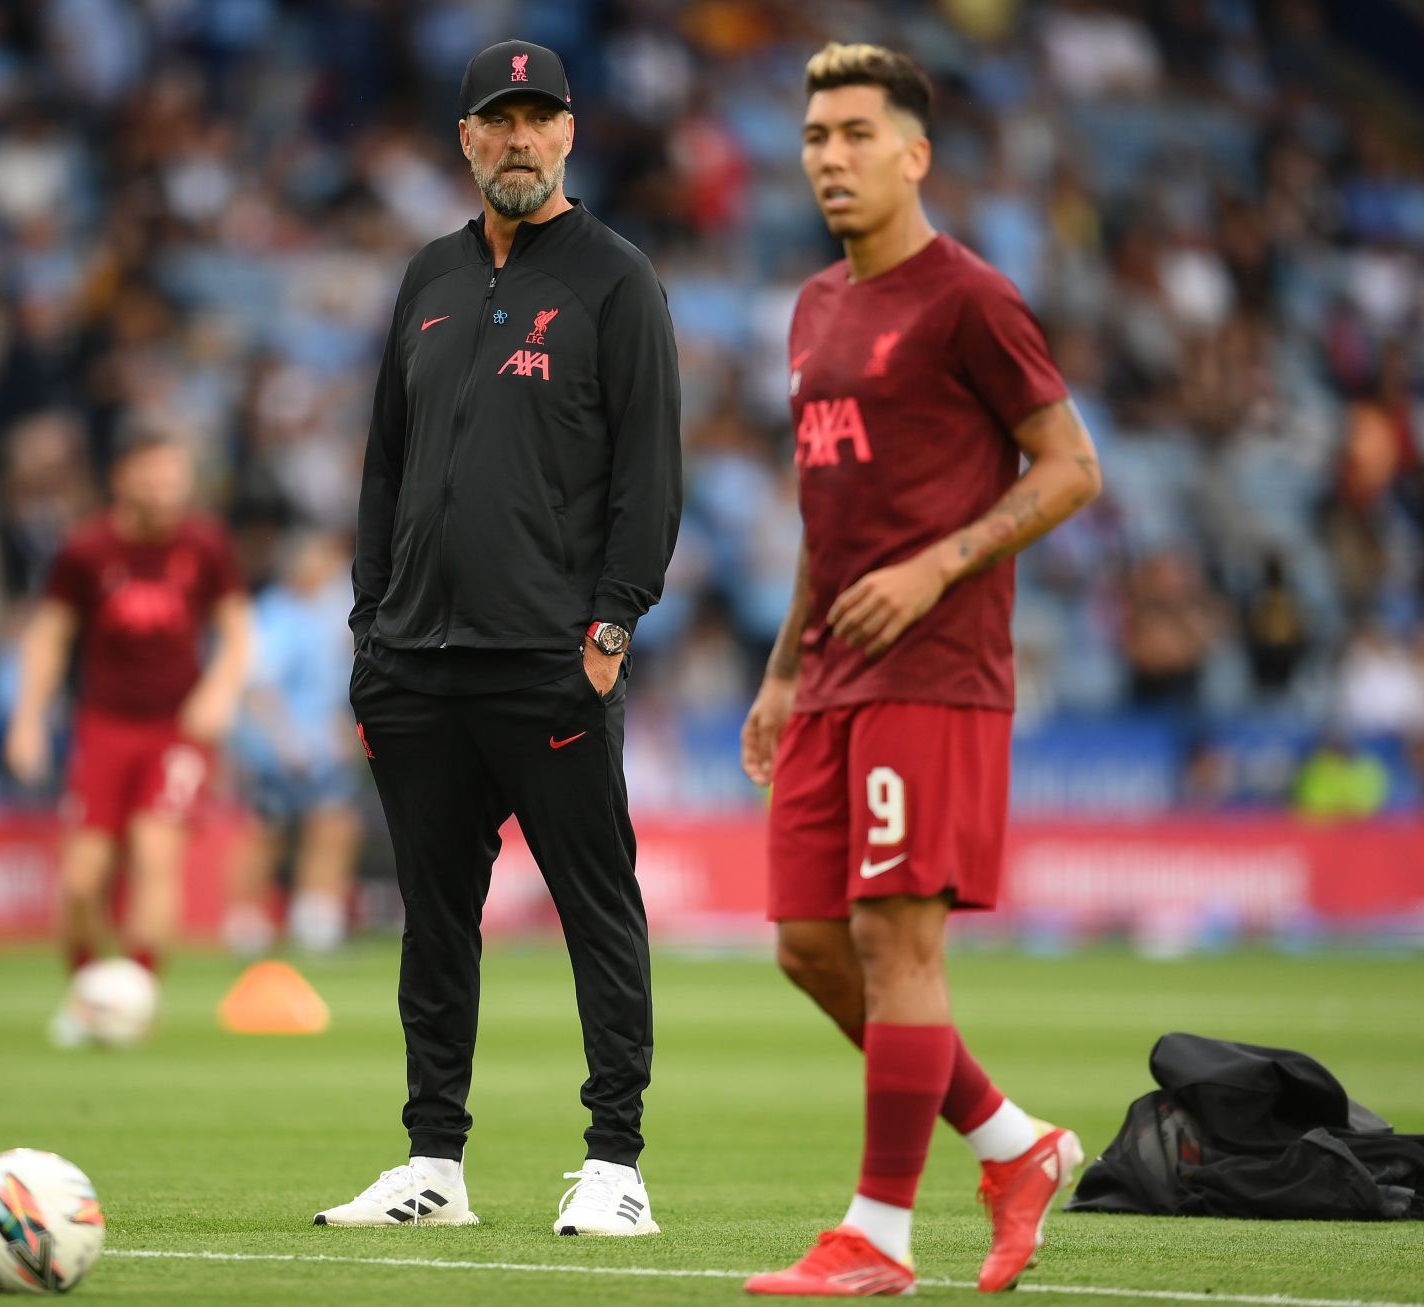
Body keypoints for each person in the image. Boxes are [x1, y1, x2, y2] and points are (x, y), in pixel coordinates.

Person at [739, 44, 1104, 1297]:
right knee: (805, 945)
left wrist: (938, 566)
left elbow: (1069, 467)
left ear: (914, 153)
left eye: (853, 134)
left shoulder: (970, 299)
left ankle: (877, 1238)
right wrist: (784, 668)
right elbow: (826, 513)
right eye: (814, 136)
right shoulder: (814, 307)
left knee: (899, 946)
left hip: (936, 665)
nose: (829, 158)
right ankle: (1017, 1146)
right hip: (832, 671)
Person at [315, 39, 681, 1237]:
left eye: (539, 119)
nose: (518, 140)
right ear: (466, 140)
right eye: (497, 121)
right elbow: (384, 468)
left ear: (570, 134)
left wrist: (611, 624)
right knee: (434, 917)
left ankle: (616, 1161)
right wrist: (371, 630)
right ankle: (434, 1161)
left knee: (596, 907)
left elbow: (649, 474)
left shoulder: (617, 279)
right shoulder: (425, 275)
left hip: (548, 661)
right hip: (417, 663)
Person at [4, 425, 251, 1047]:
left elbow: (239, 633)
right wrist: (28, 718)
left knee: (152, 852)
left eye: (176, 475)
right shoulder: (86, 551)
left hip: (177, 727)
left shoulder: (206, 544)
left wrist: (219, 693)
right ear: (124, 478)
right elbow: (51, 637)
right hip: (105, 724)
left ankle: (138, 994)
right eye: (155, 474)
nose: (167, 487)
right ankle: (88, 994)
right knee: (82, 880)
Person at [223, 531, 363, 957]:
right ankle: (245, 920)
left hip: (320, 745)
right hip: (278, 747)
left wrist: (341, 729)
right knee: (268, 831)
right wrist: (286, 741)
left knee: (334, 825)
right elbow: (259, 688)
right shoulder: (275, 615)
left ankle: (315, 915)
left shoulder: (326, 615)